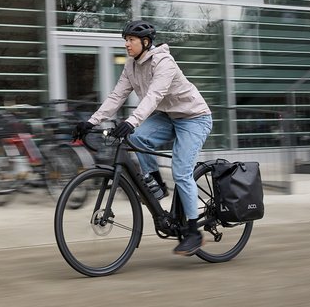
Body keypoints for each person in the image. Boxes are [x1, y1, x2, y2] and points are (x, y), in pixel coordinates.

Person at [73, 20, 213, 256]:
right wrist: (91, 121)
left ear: (145, 42)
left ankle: (193, 233)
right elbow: (117, 96)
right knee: (136, 139)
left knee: (181, 172)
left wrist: (131, 121)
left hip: (193, 118)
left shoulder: (163, 62)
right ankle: (156, 182)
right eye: (125, 40)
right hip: (167, 116)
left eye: (131, 40)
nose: (126, 45)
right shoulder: (131, 66)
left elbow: (154, 96)